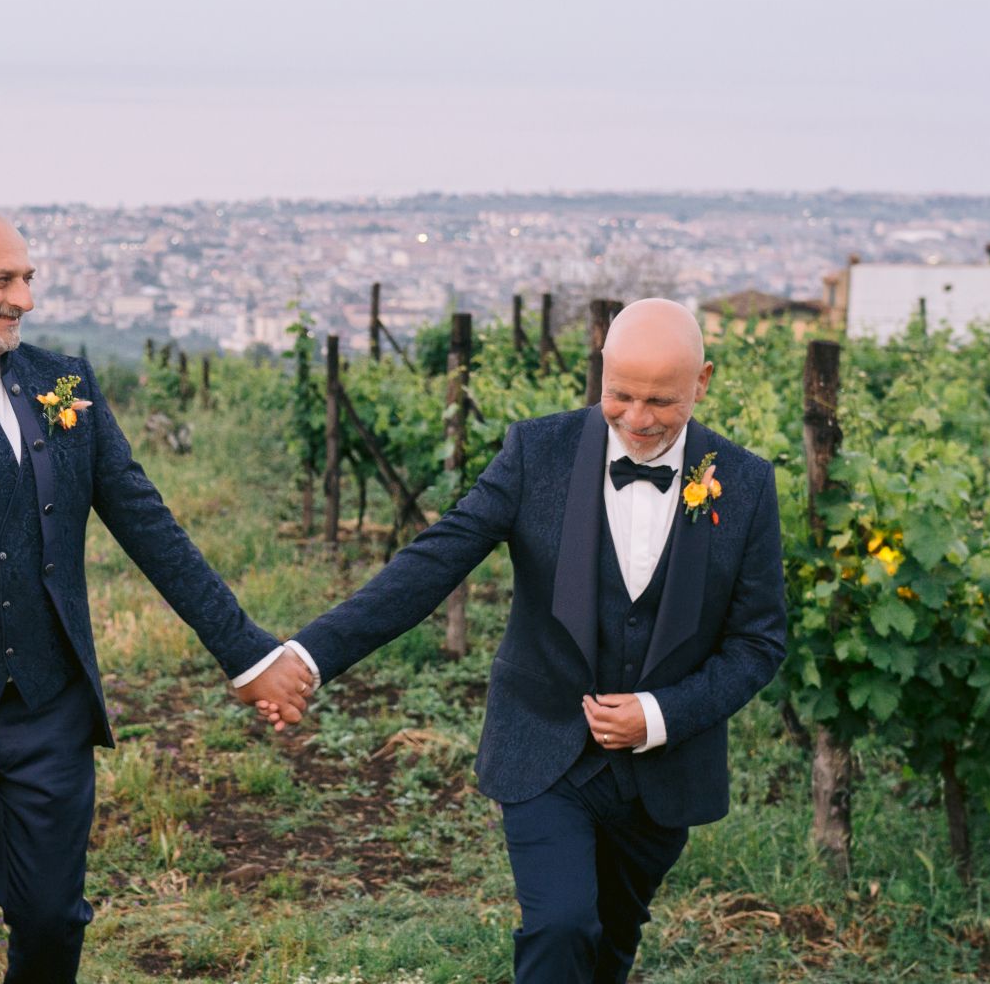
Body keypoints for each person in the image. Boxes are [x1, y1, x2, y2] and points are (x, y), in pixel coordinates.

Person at [0, 206, 313, 984]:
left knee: (53, 921)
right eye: (2, 280)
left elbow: (152, 530)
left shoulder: (64, 386)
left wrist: (249, 654)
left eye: (28, 277)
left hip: (50, 710)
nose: (25, 299)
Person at [259, 298, 785, 984]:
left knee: (611, 941)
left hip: (661, 775)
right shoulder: (537, 453)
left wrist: (660, 714)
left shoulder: (745, 483)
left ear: (702, 382)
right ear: (601, 369)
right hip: (543, 747)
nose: (637, 418)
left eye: (661, 401)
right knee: (560, 924)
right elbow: (434, 561)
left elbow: (758, 642)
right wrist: (308, 654)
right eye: (620, 394)